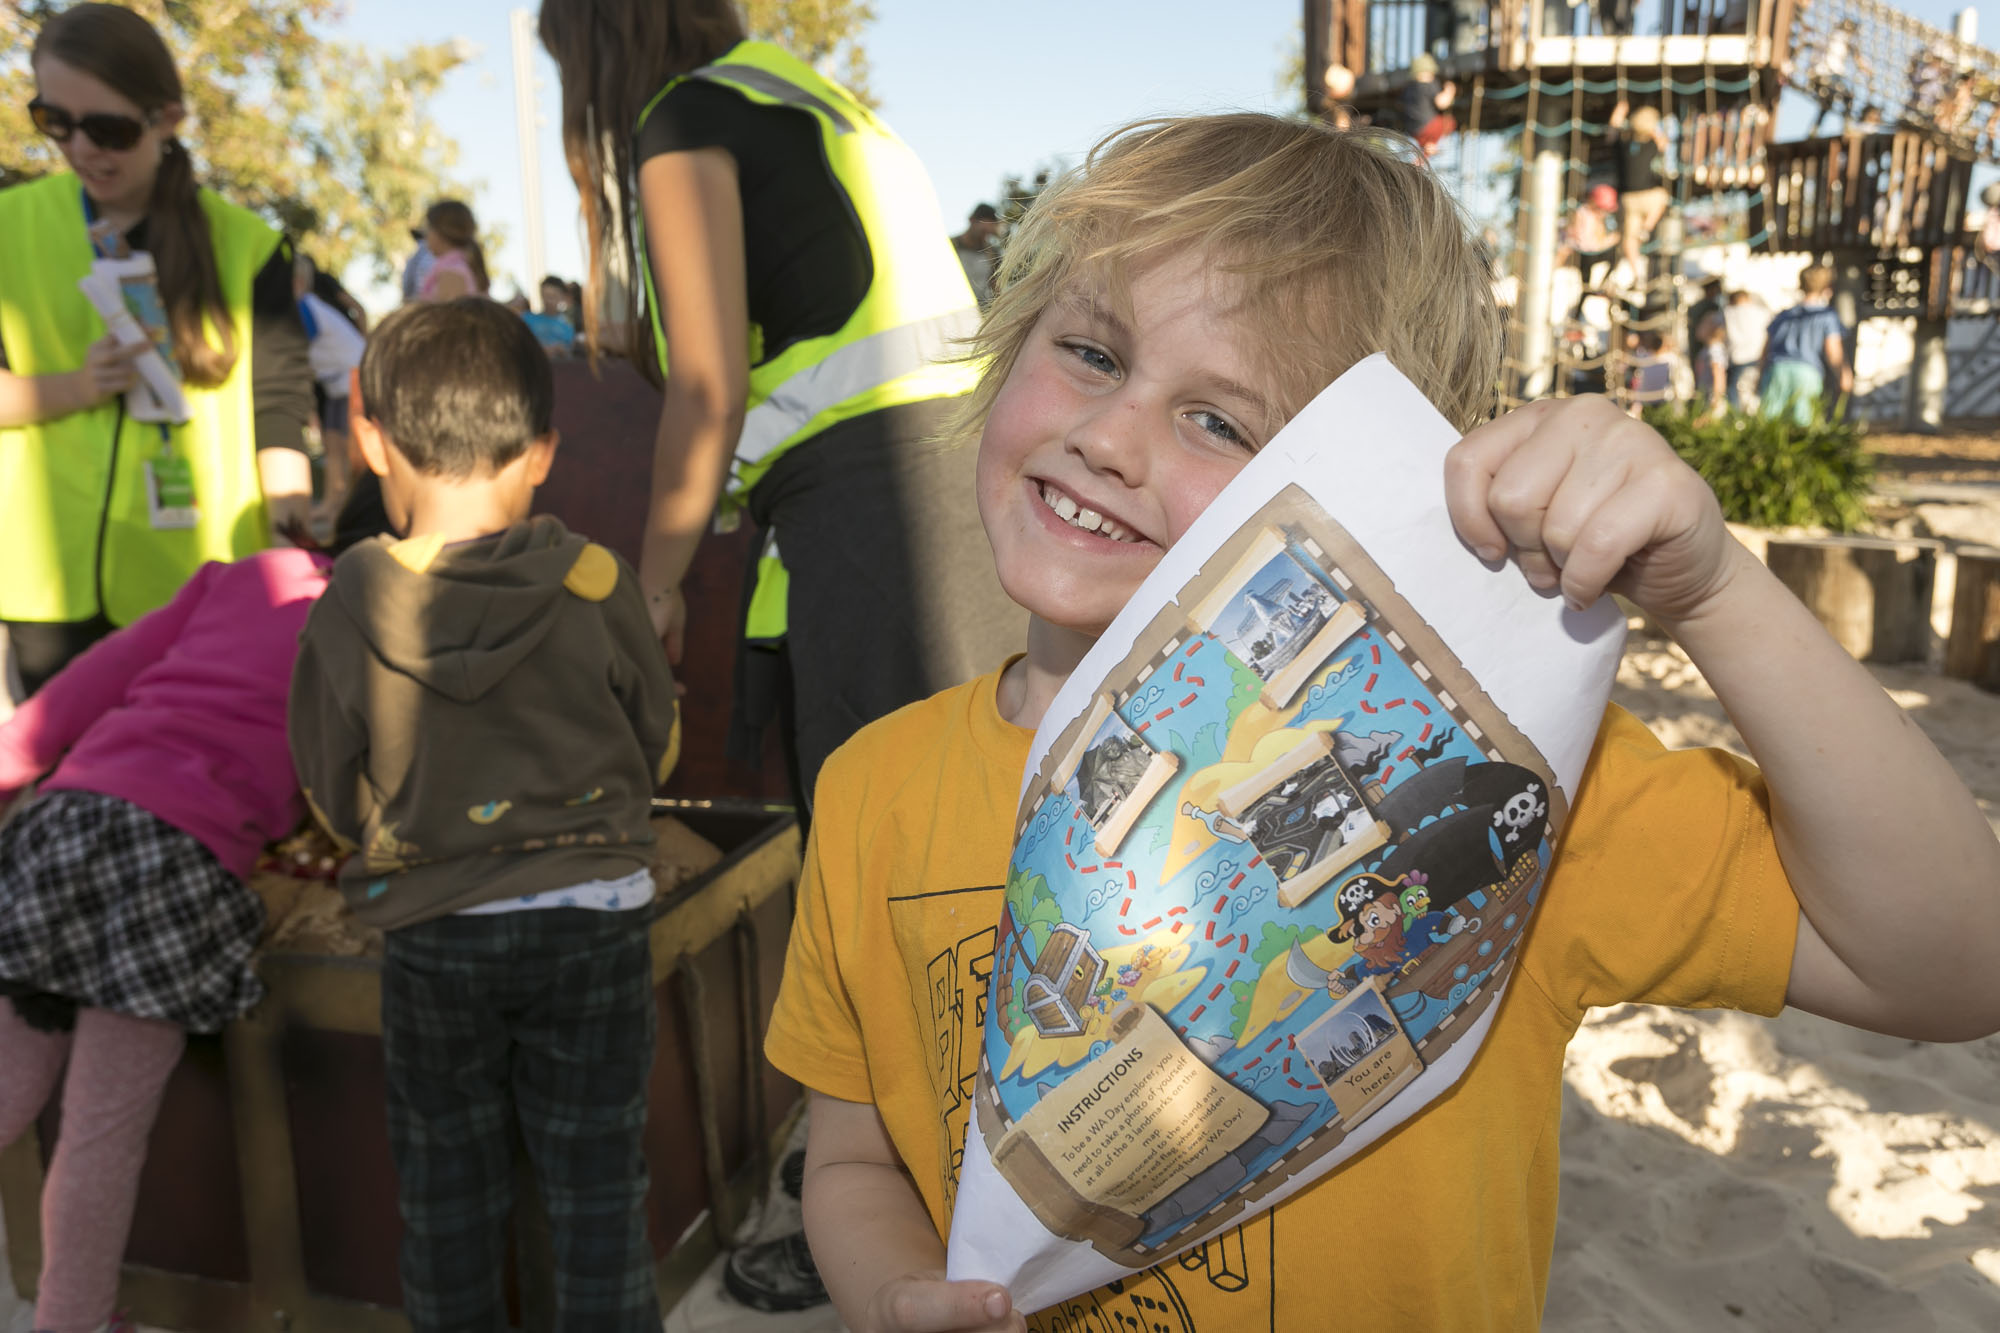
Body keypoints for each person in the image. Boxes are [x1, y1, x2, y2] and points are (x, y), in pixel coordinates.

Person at [757, 112, 2000, 1332]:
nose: (1106, 438)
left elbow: (1951, 962)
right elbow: (856, 1161)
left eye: (1218, 421)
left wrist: (1716, 593)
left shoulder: (1499, 785)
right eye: (1090, 353)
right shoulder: (874, 785)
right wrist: (893, 1293)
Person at [537, 1, 1029, 1308]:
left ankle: (900, 1217)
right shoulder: (796, 94)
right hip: (943, 495)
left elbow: (705, 386)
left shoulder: (684, 119)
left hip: (881, 512)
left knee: (892, 883)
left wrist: (653, 583)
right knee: (962, 864)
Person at [287, 299, 680, 1332]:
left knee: (447, 1200)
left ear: (373, 441)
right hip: (594, 918)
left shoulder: (347, 602)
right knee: (598, 1193)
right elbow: (655, 742)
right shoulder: (597, 581)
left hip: (434, 930)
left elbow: (327, 781)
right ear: (542, 450)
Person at [0, 540, 332, 1333]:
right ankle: (72, 1321)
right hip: (179, 859)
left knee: (6, 1084)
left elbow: (80, 689)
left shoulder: (247, 574)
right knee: (102, 1130)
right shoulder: (378, 615)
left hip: (69, 821)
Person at [0, 3, 315, 698]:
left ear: (167, 119)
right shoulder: (8, 224)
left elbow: (279, 413)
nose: (82, 149)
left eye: (108, 130)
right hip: (46, 587)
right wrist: (76, 386)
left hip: (197, 586)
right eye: (55, 121)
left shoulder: (249, 245)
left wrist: (292, 559)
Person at [293, 252, 366, 517]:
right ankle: (332, 502)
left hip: (353, 377)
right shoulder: (308, 306)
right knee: (333, 443)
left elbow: (299, 349)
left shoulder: (305, 307)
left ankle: (353, 504)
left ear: (299, 282)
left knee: (351, 447)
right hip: (337, 382)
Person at [1759, 264, 1850, 425]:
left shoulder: (1784, 315)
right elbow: (1833, 351)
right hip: (1807, 372)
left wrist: (1759, 374)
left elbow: (1766, 348)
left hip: (1777, 370)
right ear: (1827, 288)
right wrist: (1843, 374)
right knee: (1803, 423)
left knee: (1770, 424)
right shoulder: (1827, 316)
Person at [1610, 101, 1672, 287]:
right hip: (1647, 196)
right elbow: (1664, 143)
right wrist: (1653, 129)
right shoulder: (1651, 145)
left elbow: (1612, 131)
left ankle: (1638, 274)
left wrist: (1619, 113)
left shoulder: (1622, 144)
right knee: (1663, 196)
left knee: (1629, 239)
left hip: (1627, 198)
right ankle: (1647, 226)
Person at [414, 199, 489, 301]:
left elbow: (444, 311)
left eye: (428, 228)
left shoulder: (452, 274)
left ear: (440, 232)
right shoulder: (453, 268)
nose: (426, 236)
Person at [1559, 183, 1619, 292]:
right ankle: (1593, 289)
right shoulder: (1584, 214)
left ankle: (1601, 286)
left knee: (1614, 256)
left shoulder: (1596, 218)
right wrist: (1609, 241)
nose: (1604, 213)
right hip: (1584, 254)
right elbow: (1586, 244)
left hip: (1590, 252)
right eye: (1601, 209)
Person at [1720, 287, 1770, 408]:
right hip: (1759, 356)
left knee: (1734, 392)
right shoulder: (1761, 312)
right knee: (1758, 391)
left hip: (1738, 358)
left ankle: (1736, 417)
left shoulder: (1728, 313)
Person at [1399, 54, 1458, 156]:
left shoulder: (1408, 88)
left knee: (1425, 141)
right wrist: (1450, 91)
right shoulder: (1429, 84)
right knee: (1449, 122)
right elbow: (1442, 103)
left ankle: (1426, 151)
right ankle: (1430, 146)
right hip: (1428, 125)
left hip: (1413, 130)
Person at [954, 203, 1003, 310]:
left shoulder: (992, 253)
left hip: (981, 311)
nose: (984, 237)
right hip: (954, 309)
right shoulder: (952, 246)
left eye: (988, 233)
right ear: (972, 220)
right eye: (983, 231)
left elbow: (996, 287)